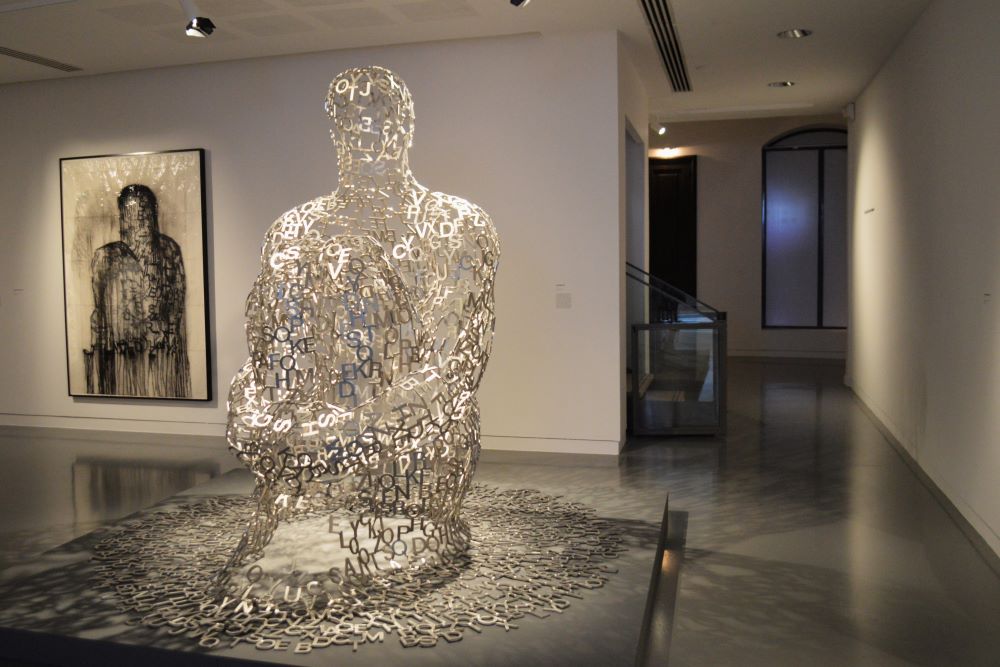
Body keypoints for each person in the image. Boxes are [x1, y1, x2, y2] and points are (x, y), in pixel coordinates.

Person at [222, 66, 499, 585]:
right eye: (351, 119)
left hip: (411, 459)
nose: (366, 131)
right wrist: (250, 417)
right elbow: (263, 360)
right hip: (302, 449)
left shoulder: (456, 224)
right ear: (335, 131)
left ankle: (347, 511)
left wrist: (328, 443)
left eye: (381, 117)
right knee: (303, 262)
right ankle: (304, 505)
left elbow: (451, 375)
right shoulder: (292, 229)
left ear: (406, 125)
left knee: (352, 263)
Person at [86, 184, 190, 398]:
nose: (140, 220)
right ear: (123, 218)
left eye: (145, 213)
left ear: (153, 215)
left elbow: (177, 301)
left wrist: (166, 333)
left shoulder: (169, 250)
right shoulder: (106, 256)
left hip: (162, 354)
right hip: (121, 355)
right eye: (132, 213)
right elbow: (100, 309)